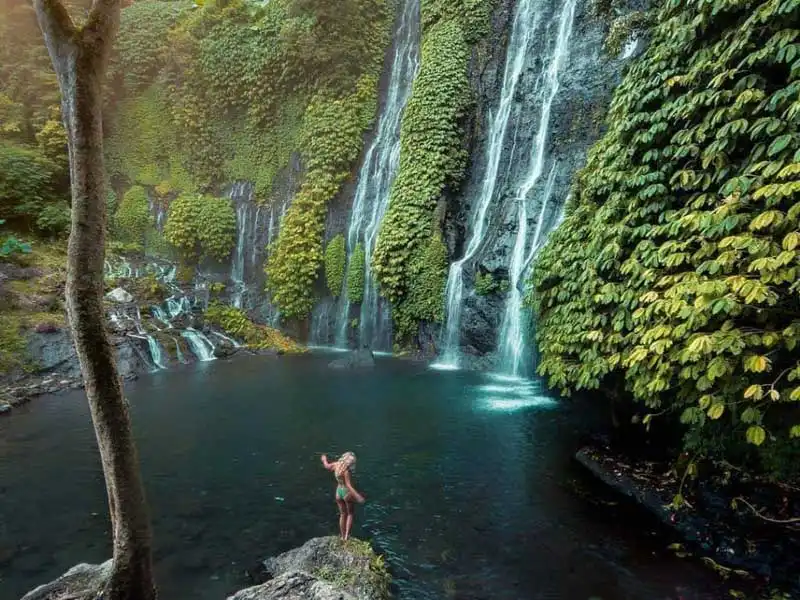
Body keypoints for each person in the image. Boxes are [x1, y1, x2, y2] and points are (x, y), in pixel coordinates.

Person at [321, 451, 365, 541]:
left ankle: (342, 535)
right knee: (350, 514)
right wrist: (358, 496)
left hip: (338, 492)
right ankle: (346, 537)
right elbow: (349, 486)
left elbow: (327, 466)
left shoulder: (336, 465)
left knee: (342, 514)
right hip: (346, 493)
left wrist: (324, 459)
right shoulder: (346, 471)